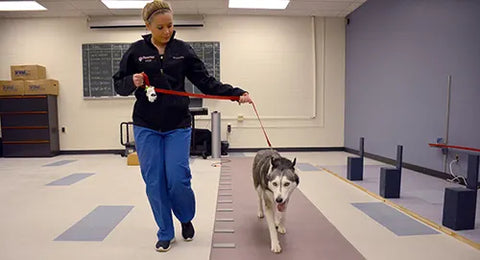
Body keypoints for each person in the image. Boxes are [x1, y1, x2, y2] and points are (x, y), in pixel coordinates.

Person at [112, 0, 252, 253]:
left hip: (177, 124)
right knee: (154, 181)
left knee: (177, 179)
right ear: (148, 26)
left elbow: (206, 82)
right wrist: (130, 81)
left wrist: (236, 93)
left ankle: (185, 217)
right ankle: (165, 232)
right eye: (160, 27)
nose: (167, 32)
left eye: (170, 26)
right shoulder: (135, 52)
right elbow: (119, 85)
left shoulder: (183, 50)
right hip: (146, 125)